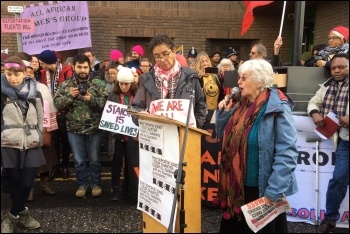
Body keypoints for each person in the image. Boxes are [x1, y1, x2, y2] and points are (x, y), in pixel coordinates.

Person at [215, 59, 299, 233]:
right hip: (236, 190)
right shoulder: (240, 105)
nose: (239, 82)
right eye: (239, 78)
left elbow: (287, 154)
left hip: (262, 192)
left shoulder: (278, 108)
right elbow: (221, 136)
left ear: (260, 81)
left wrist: (272, 193)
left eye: (244, 78)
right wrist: (223, 112)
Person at [54, 54, 108, 198]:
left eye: (85, 67)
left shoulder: (98, 84)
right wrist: (70, 97)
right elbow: (58, 104)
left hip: (94, 128)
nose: (82, 70)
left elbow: (104, 105)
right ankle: (82, 184)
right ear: (74, 67)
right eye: (79, 67)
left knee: (95, 159)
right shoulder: (65, 85)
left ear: (89, 67)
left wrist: (91, 99)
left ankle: (95, 184)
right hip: (74, 128)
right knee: (79, 160)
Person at [1, 56, 45, 232]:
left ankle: (12, 216)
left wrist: (37, 133)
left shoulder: (35, 92)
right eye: (9, 73)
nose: (13, 78)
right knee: (14, 181)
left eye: (17, 74)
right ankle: (23, 215)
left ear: (25, 73)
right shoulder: (2, 93)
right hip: (8, 141)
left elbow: (41, 116)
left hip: (31, 141)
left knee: (27, 183)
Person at [307, 53, 349, 233]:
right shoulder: (327, 86)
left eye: (341, 67)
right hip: (345, 142)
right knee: (338, 180)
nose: (337, 70)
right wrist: (315, 113)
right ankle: (330, 220)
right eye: (334, 68)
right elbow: (312, 102)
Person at [132, 34, 206, 129]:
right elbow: (136, 107)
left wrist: (194, 128)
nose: (162, 59)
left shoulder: (190, 76)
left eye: (165, 54)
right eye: (157, 56)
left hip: (183, 137)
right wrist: (141, 116)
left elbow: (200, 105)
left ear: (174, 52)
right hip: (156, 136)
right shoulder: (147, 79)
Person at [25, 65, 59, 201]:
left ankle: (45, 184)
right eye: (25, 72)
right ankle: (29, 189)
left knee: (45, 159)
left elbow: (51, 107)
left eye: (30, 72)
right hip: (26, 131)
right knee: (28, 161)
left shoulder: (42, 87)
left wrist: (49, 127)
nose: (28, 74)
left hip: (43, 128)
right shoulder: (15, 90)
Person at [107, 65, 138, 202]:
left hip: (132, 136)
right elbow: (108, 115)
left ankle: (127, 189)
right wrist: (114, 133)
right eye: (121, 84)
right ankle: (115, 189)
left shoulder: (137, 95)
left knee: (130, 164)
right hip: (117, 136)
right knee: (116, 163)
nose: (124, 86)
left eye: (126, 84)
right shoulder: (113, 95)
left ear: (131, 83)